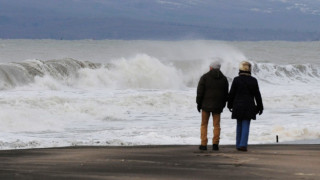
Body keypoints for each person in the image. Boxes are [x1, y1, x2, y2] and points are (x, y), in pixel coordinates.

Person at [227, 61, 263, 152]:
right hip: (249, 106)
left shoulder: (236, 80)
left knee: (239, 124)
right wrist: (260, 107)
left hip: (238, 105)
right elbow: (257, 95)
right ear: (249, 69)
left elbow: (231, 94)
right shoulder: (253, 80)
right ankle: (243, 145)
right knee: (246, 124)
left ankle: (238, 144)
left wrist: (229, 105)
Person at [196, 61, 229, 151]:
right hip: (218, 106)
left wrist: (198, 103)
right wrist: (223, 104)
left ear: (211, 68)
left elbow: (200, 92)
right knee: (217, 125)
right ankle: (215, 144)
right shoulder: (224, 79)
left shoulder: (205, 77)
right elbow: (226, 94)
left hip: (205, 105)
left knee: (204, 124)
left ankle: (203, 144)